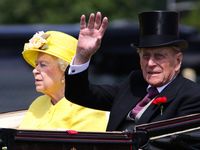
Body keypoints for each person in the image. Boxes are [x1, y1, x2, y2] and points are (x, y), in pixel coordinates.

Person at [65, 11, 200, 149]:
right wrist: (82, 55)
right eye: (146, 56)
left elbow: (182, 145)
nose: (151, 63)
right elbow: (80, 94)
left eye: (159, 56)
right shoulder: (134, 83)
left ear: (177, 61)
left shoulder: (191, 95)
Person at [19, 30, 108, 131]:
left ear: (65, 71)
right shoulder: (38, 103)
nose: (35, 71)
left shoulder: (88, 106)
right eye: (36, 65)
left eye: (43, 65)